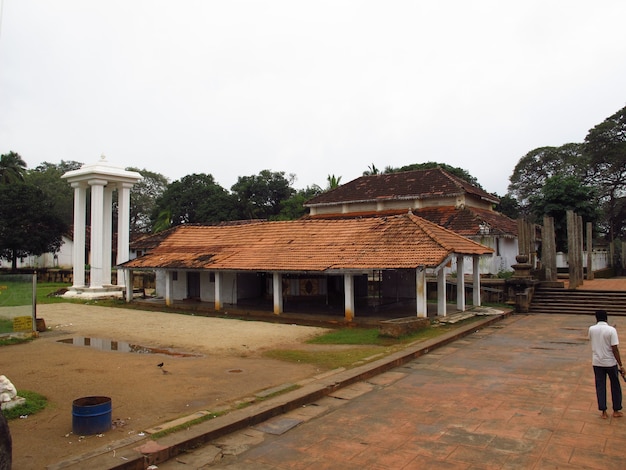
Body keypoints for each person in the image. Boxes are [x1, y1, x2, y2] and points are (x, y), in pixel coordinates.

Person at [588, 310, 624, 419]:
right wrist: (621, 364)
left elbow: (595, 339)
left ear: (596, 318)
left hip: (597, 362)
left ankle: (603, 411)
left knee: (600, 386)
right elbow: (614, 348)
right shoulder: (611, 330)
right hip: (610, 362)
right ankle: (616, 410)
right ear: (606, 318)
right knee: (615, 385)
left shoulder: (591, 329)